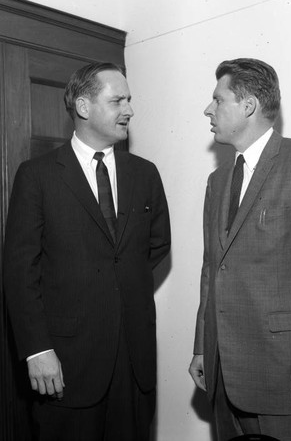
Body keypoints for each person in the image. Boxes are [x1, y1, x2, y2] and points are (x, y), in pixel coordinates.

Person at [3, 62, 171, 441]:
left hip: (133, 364)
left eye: (129, 100)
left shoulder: (145, 174)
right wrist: (36, 350)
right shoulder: (38, 176)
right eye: (117, 101)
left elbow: (157, 245)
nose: (129, 110)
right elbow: (19, 271)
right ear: (83, 106)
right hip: (65, 364)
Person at [189, 58, 291, 441]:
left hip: (284, 377)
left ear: (248, 106)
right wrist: (202, 347)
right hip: (222, 373)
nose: (208, 110)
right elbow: (212, 269)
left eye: (218, 100)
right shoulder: (218, 180)